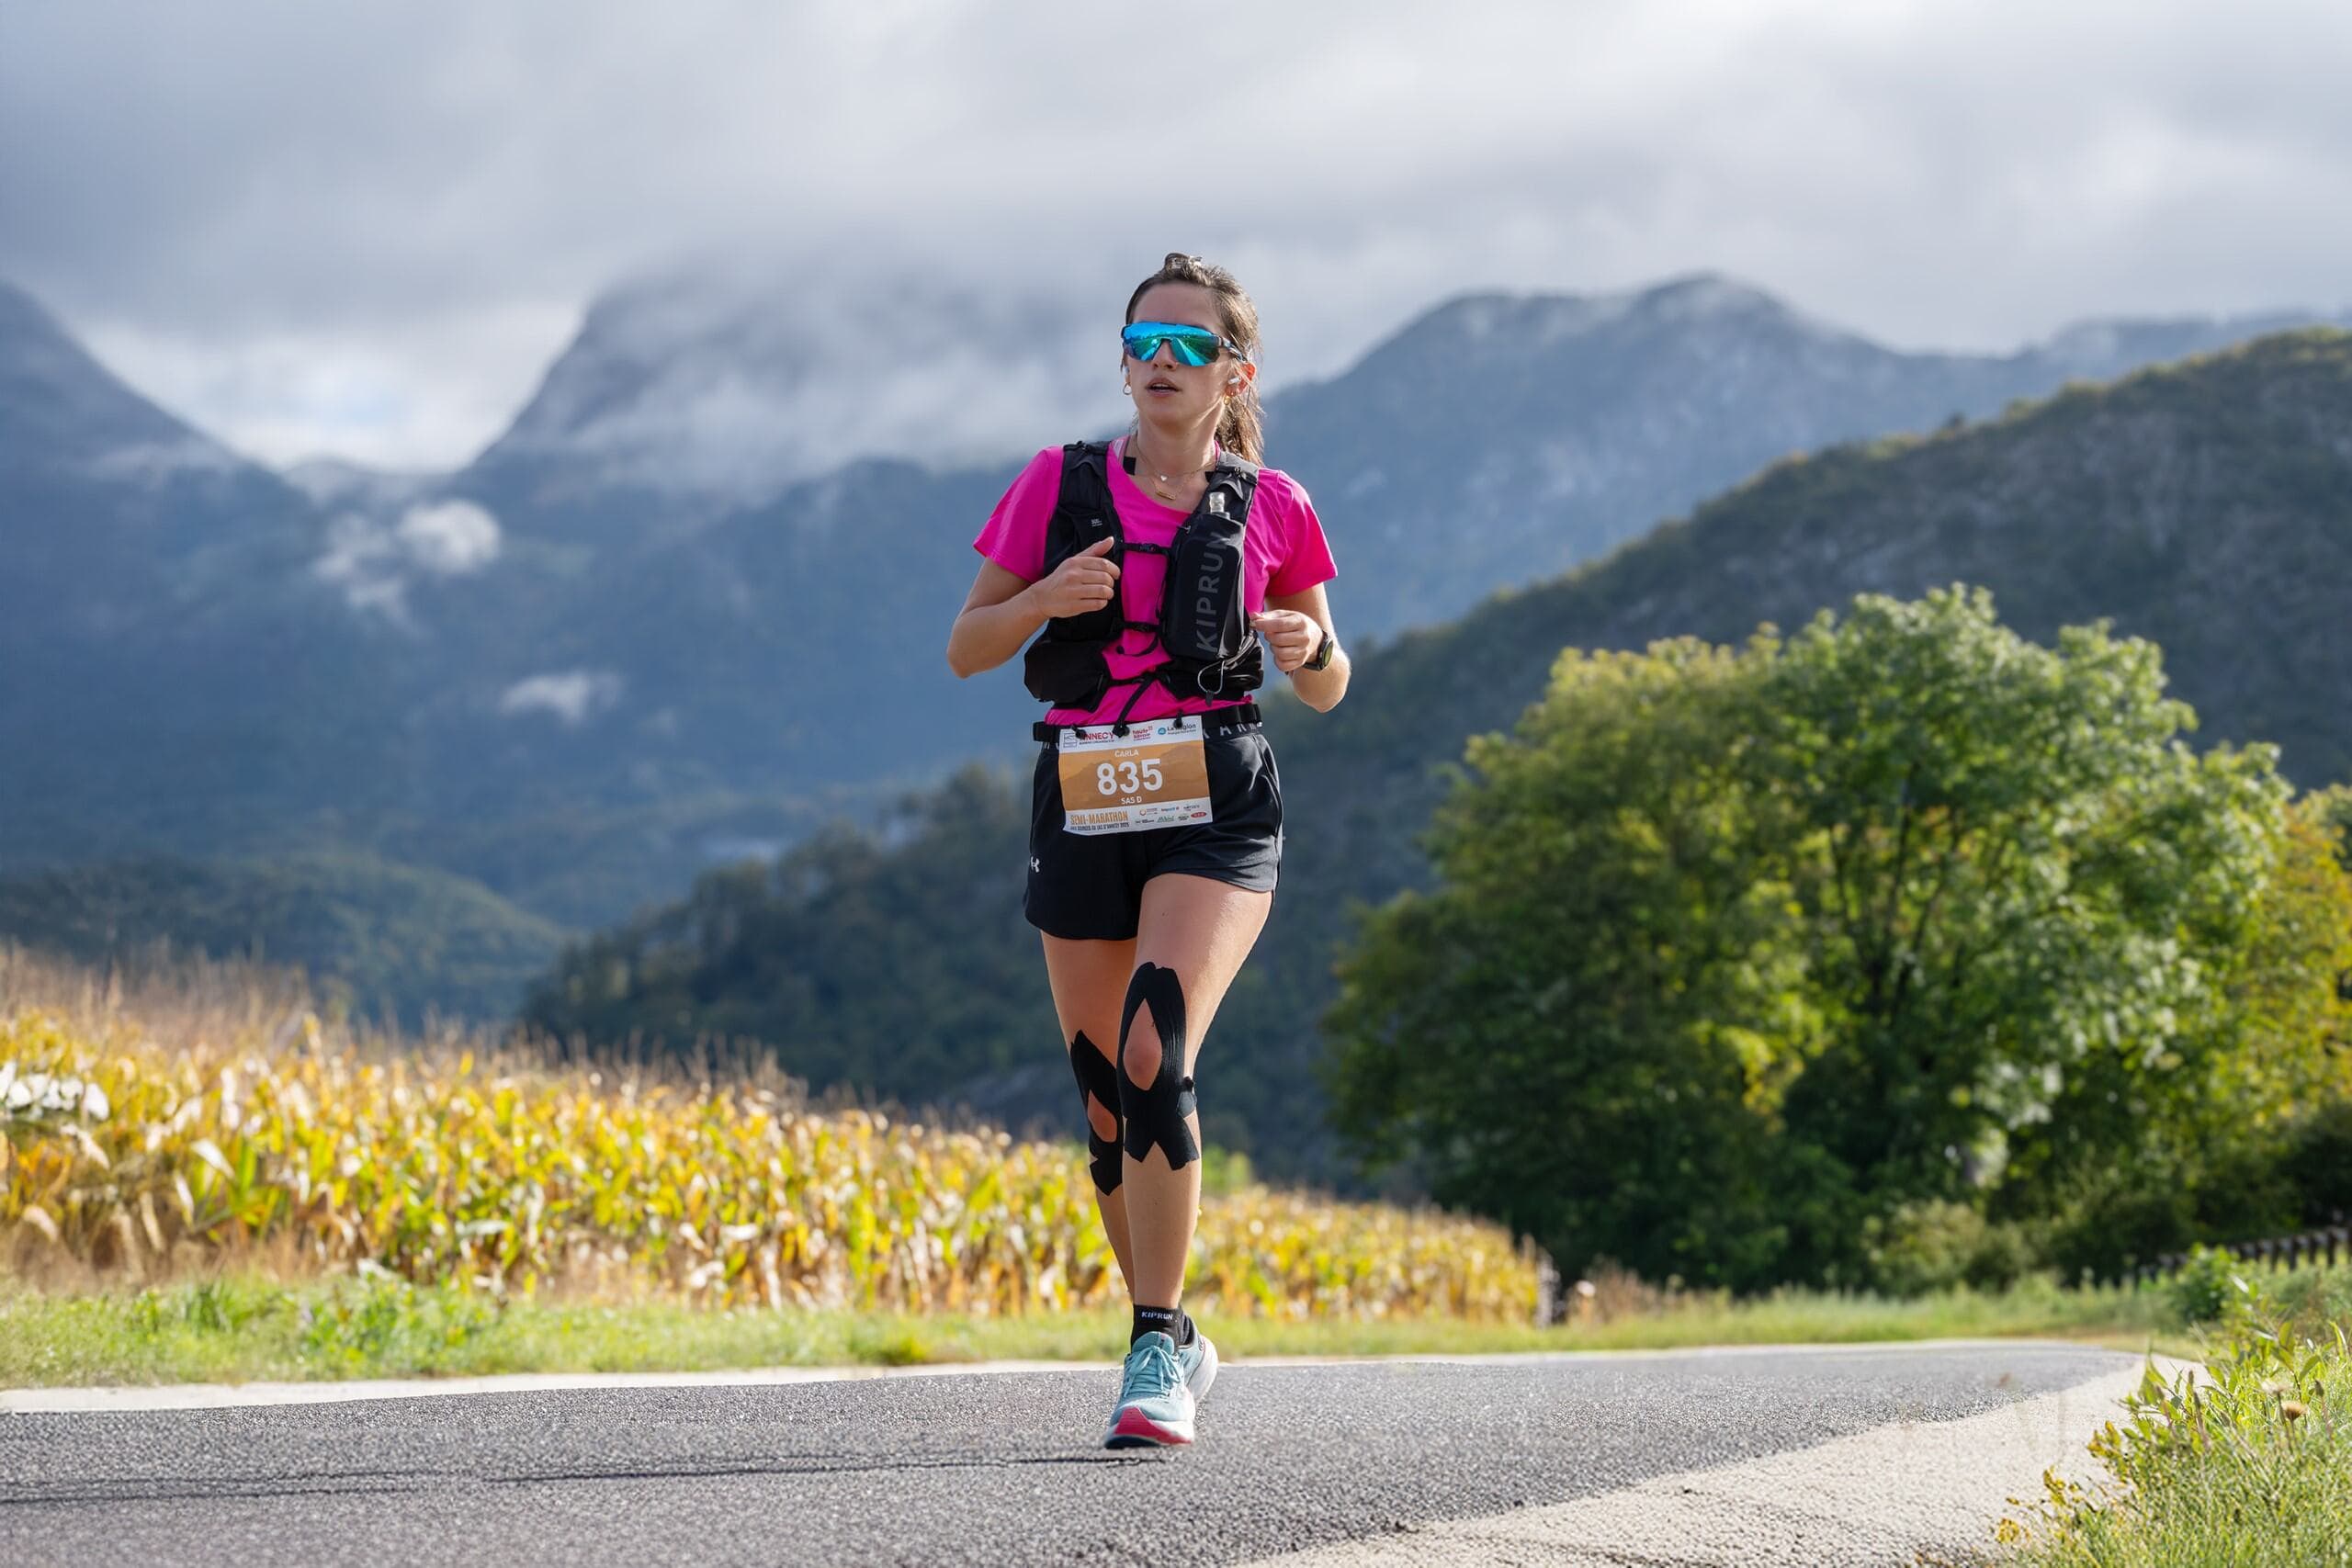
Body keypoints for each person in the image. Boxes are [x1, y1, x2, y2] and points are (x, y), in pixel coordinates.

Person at [946, 253, 1347, 1449]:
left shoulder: (1277, 505)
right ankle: (1168, 1332)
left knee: (1151, 1048)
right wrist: (1047, 597)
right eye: (1143, 345)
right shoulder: (1054, 485)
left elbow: (1328, 683)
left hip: (1215, 799)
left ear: (1236, 372)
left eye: (1189, 347)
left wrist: (1301, 649)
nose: (1161, 366)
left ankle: (1153, 1343)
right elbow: (969, 646)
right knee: (1105, 1100)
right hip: (1080, 798)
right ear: (1122, 363)